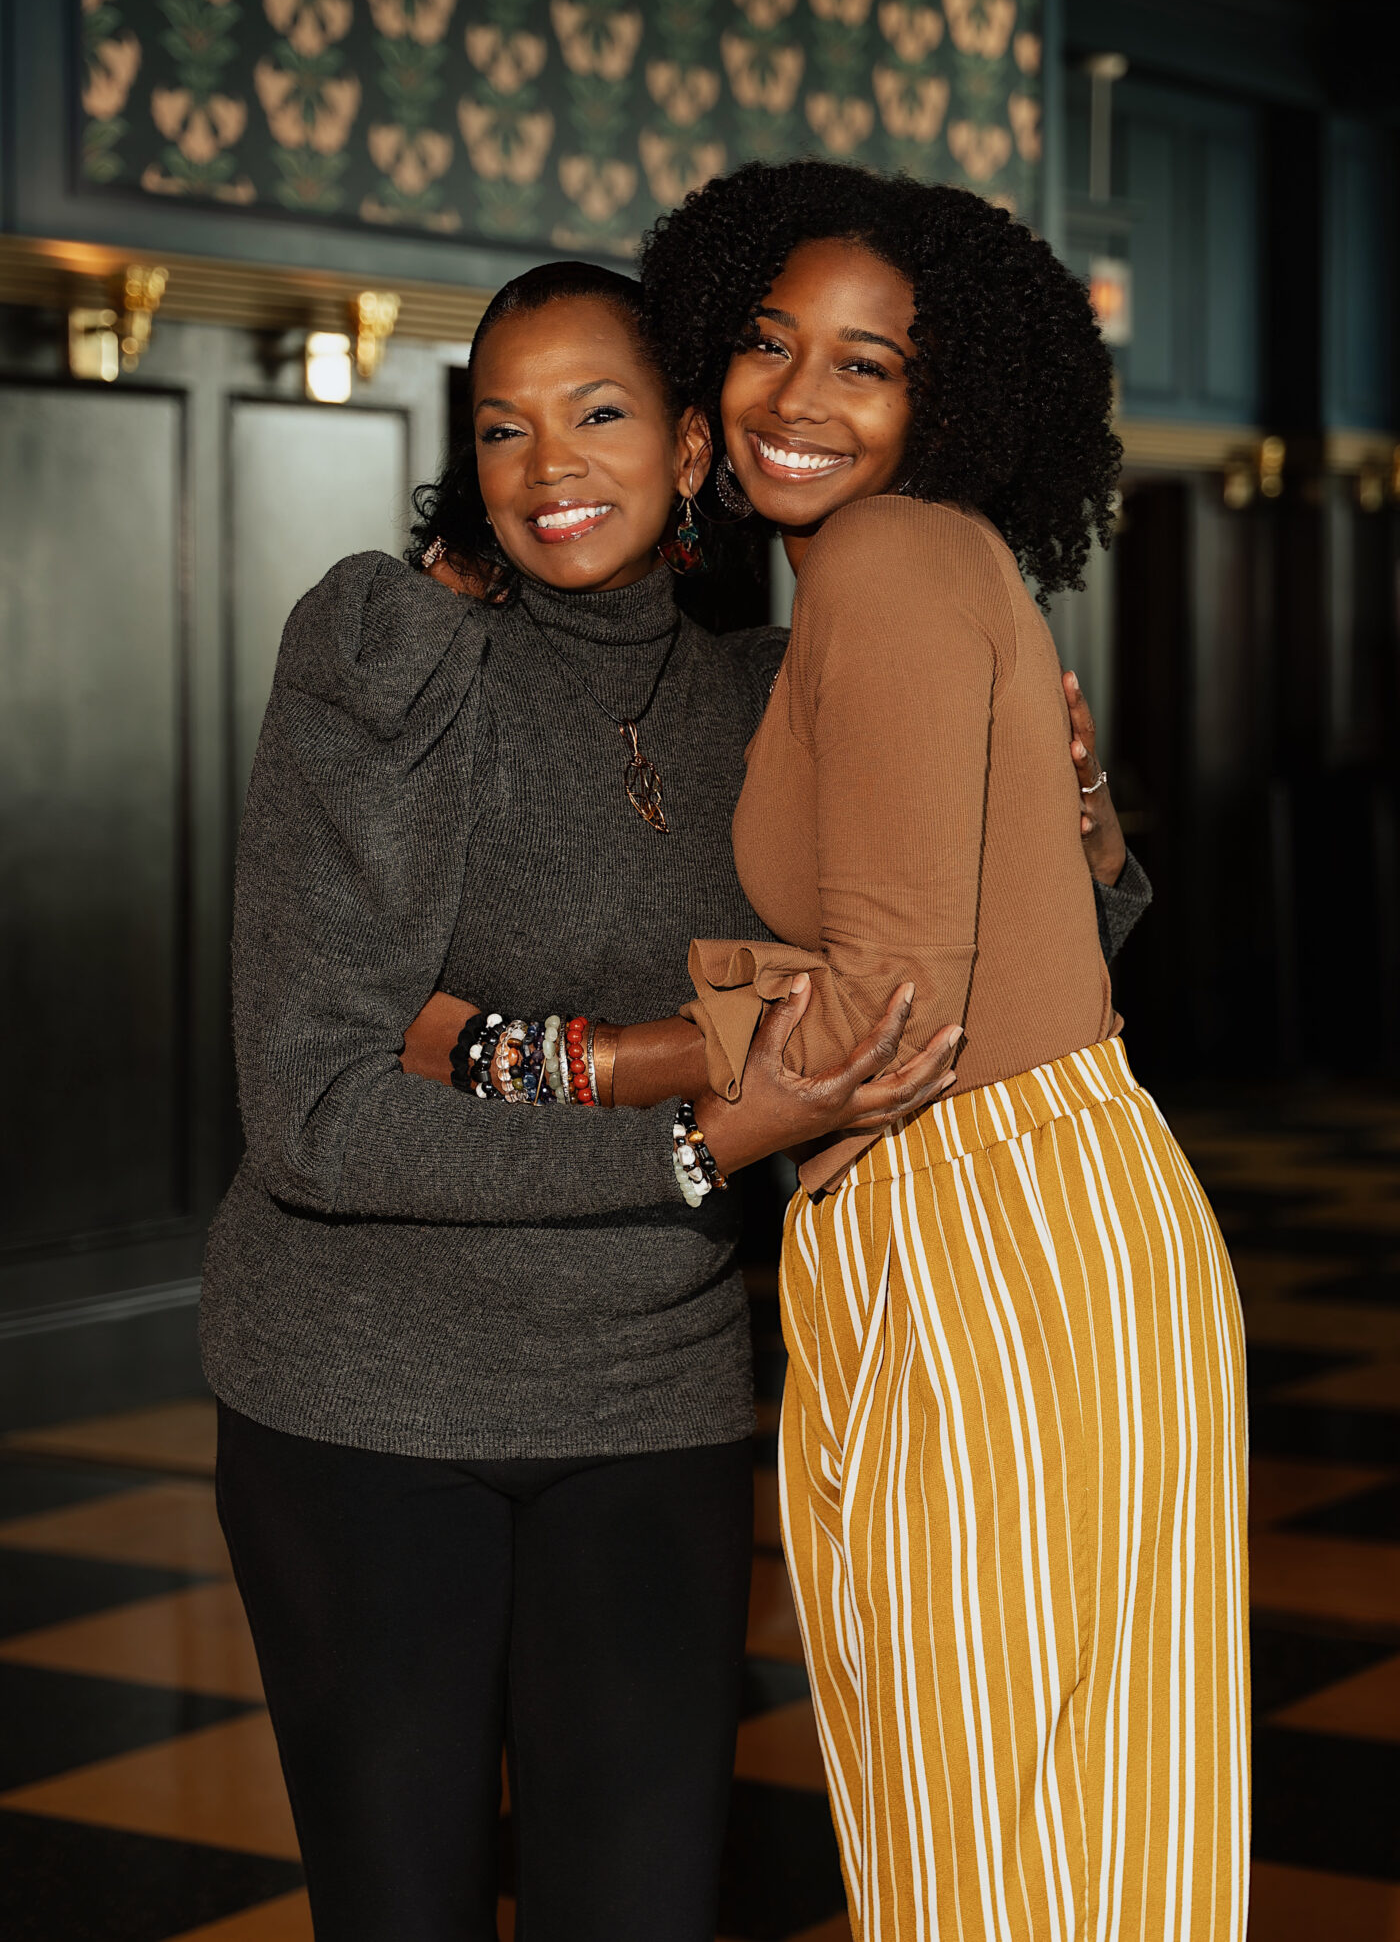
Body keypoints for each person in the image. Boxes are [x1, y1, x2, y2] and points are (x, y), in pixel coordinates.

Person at [203, 260, 964, 1942]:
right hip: (362, 1404)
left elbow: (941, 968)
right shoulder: (391, 652)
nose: (550, 463)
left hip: (653, 1399)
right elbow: (316, 1111)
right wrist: (700, 1124)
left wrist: (1096, 843)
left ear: (694, 447)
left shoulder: (775, 693)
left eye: (600, 413)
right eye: (504, 428)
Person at [622, 161, 1250, 1942]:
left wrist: (583, 1077)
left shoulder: (888, 560)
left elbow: (891, 1009)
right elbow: (965, 933)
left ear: (947, 400)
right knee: (1085, 1845)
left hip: (976, 1232)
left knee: (981, 1851)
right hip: (1039, 1216)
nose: (797, 400)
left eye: (867, 365)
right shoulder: (899, 572)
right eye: (765, 342)